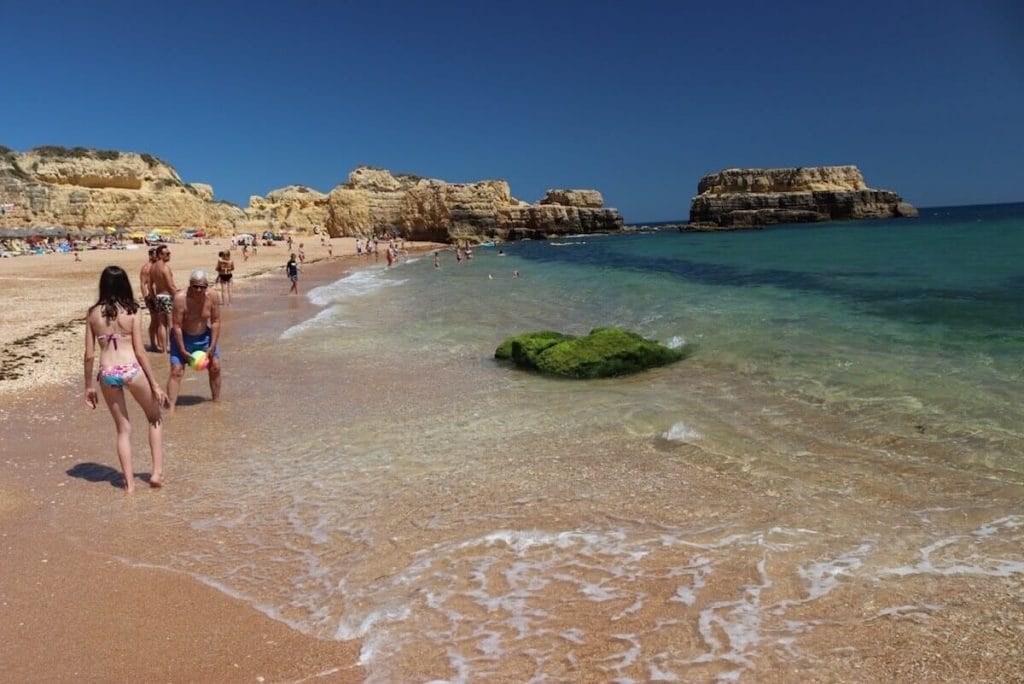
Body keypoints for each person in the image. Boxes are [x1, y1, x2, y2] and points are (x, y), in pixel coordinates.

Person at [83, 265, 167, 492]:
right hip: (131, 369)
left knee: (123, 429)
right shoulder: (133, 311)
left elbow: (89, 355)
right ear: (125, 285)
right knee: (154, 418)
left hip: (108, 372)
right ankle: (156, 473)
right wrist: (155, 384)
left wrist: (89, 387)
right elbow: (140, 352)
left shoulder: (92, 313)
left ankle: (129, 485)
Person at [166, 270, 222, 412]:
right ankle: (171, 409)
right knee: (176, 371)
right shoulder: (180, 298)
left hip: (204, 337)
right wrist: (183, 350)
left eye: (202, 287)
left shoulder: (213, 296)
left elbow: (215, 321)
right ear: (190, 285)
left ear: (207, 286)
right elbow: (177, 326)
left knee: (215, 366)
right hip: (183, 337)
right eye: (195, 286)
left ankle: (217, 403)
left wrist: (212, 346)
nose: (198, 290)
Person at [149, 244, 177, 353]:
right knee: (170, 324)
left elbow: (150, 285)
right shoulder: (165, 268)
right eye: (167, 254)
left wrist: (153, 297)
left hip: (159, 297)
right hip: (167, 296)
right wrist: (178, 297)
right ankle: (172, 348)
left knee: (161, 324)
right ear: (160, 255)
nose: (169, 255)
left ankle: (164, 349)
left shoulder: (153, 267)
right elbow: (171, 286)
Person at [139, 247, 160, 350]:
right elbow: (143, 284)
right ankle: (153, 343)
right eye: (155, 255)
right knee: (154, 320)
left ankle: (160, 343)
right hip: (151, 297)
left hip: (158, 296)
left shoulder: (157, 266)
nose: (157, 257)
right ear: (151, 255)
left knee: (160, 321)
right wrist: (146, 298)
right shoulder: (146, 268)